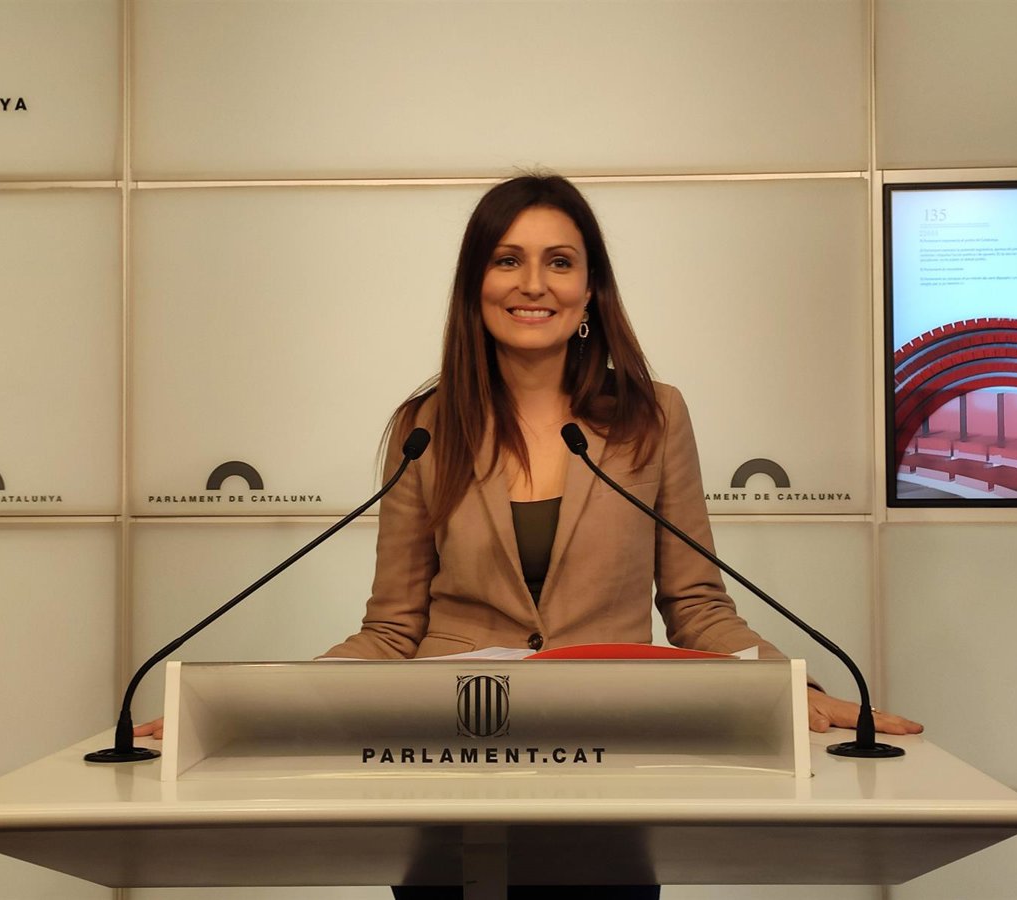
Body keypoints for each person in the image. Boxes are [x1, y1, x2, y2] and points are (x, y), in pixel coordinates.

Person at [136, 173, 922, 898]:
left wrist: (790, 689)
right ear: (475, 283)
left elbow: (697, 606)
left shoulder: (654, 416)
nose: (533, 284)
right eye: (507, 260)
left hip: (609, 764)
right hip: (448, 766)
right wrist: (253, 710)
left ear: (590, 288)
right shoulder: (425, 427)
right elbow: (392, 629)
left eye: (559, 262)